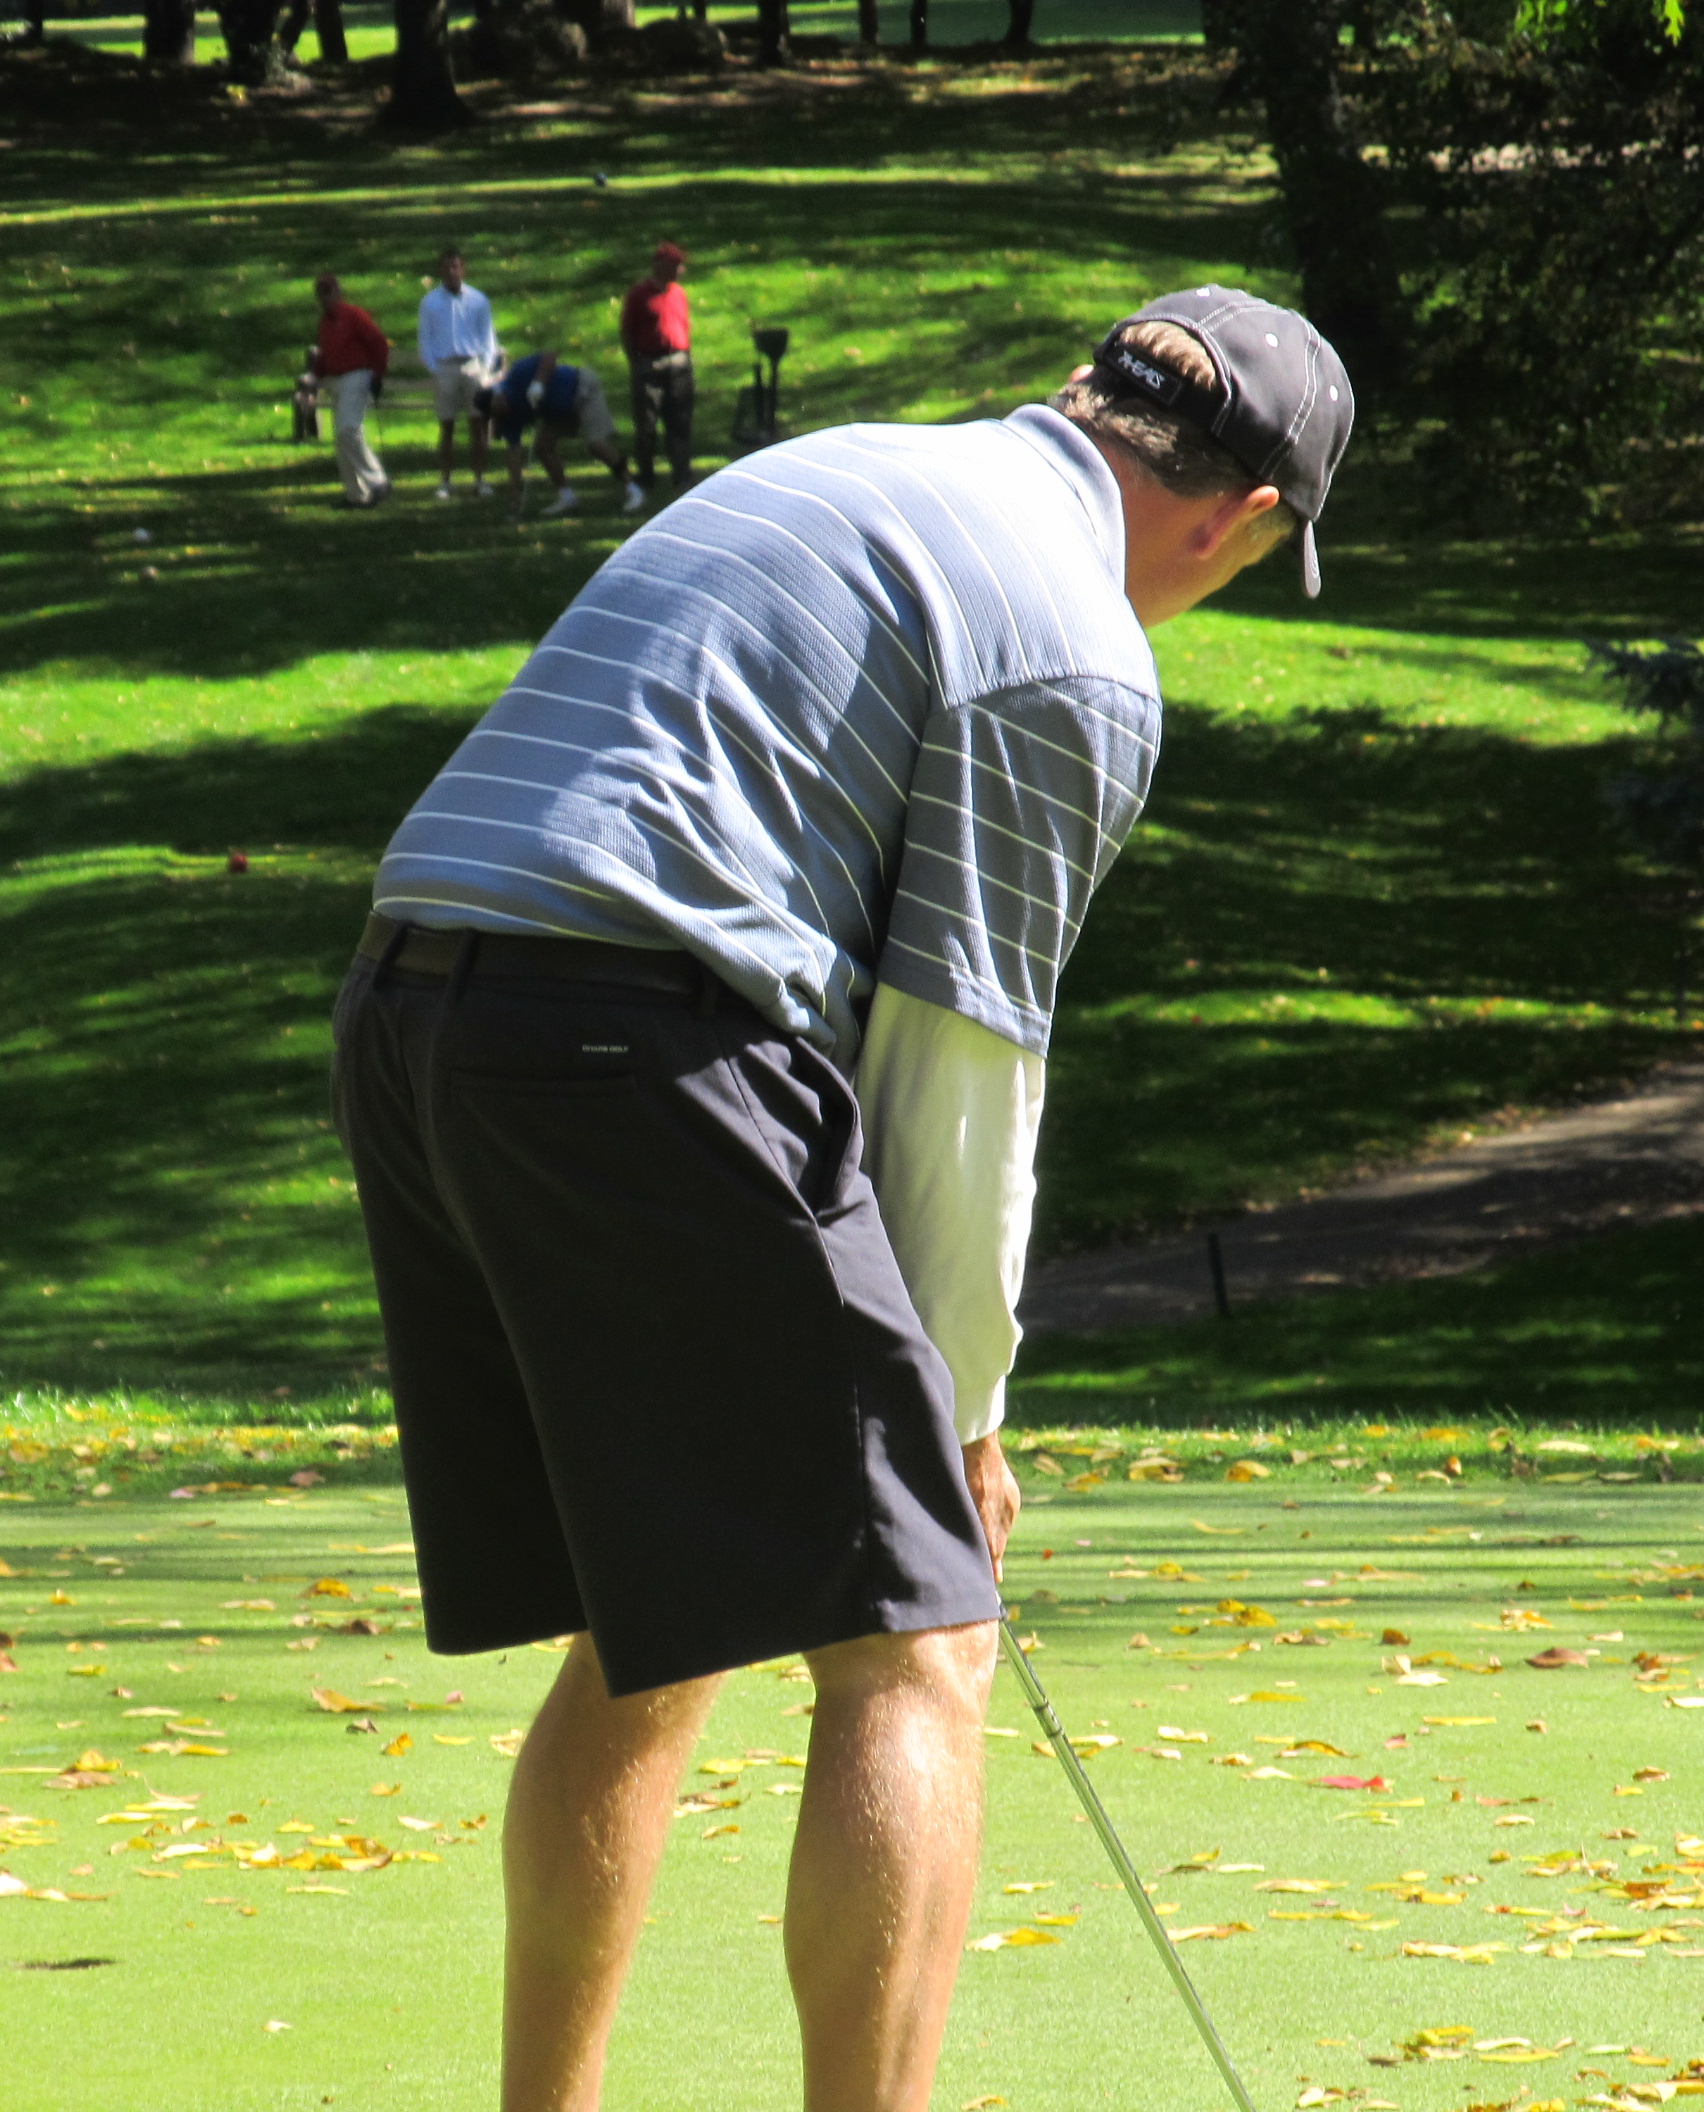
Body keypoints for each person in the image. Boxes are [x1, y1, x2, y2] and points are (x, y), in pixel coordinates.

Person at [329, 286, 1351, 2112]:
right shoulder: (1073, 648)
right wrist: (966, 1422)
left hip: (422, 1008)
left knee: (648, 1626)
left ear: (1086, 398)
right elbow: (962, 1062)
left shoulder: (854, 468)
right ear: (1243, 519)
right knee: (917, 1642)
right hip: (632, 1028)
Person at [481, 350, 644, 518]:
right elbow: (514, 455)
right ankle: (567, 496)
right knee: (543, 447)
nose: (501, 408)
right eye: (496, 411)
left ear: (498, 394)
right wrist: (514, 495)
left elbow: (550, 356)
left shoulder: (518, 374)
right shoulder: (508, 418)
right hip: (560, 411)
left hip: (582, 389)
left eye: (498, 403)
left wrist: (538, 383)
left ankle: (633, 488)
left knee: (596, 444)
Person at [418, 247, 506, 500]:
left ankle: (480, 479)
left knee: (478, 424)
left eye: (455, 266)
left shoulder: (478, 300)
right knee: (447, 426)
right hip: (445, 366)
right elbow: (425, 339)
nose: (451, 272)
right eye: (447, 267)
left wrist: (485, 368)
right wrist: (434, 367)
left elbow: (488, 337)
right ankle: (446, 481)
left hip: (472, 365)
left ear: (463, 269)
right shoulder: (430, 303)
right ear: (440, 270)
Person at [308, 272, 392, 508]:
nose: (325, 298)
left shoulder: (353, 315)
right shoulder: (325, 323)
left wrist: (378, 374)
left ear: (338, 292)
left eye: (329, 292)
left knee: (348, 429)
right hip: (336, 381)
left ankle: (378, 481)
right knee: (341, 438)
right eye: (321, 294)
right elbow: (325, 356)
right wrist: (314, 376)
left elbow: (378, 342)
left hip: (357, 376)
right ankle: (356, 494)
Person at [618, 239, 696, 493]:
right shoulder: (639, 294)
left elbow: (684, 325)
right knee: (647, 425)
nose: (681, 270)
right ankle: (646, 476)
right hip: (649, 364)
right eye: (676, 265)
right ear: (661, 266)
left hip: (678, 363)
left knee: (680, 423)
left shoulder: (678, 293)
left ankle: (682, 475)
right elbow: (627, 332)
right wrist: (637, 362)